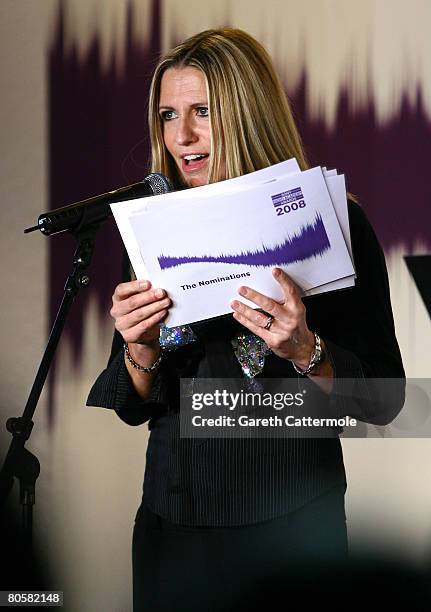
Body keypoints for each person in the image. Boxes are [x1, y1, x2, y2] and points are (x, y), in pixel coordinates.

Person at [87, 28, 405, 611]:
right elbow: (132, 404)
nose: (181, 136)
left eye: (202, 111)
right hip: (173, 528)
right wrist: (142, 351)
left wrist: (306, 351)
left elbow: (384, 400)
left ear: (246, 112)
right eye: (167, 115)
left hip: (294, 531)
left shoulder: (335, 224)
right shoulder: (156, 233)